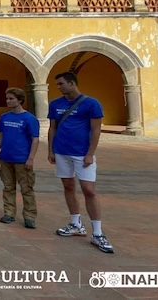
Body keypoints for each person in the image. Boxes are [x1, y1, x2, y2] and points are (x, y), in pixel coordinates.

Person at [48, 72, 113, 253]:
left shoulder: (91, 104)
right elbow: (52, 128)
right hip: (62, 151)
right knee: (68, 186)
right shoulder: (55, 104)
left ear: (72, 83)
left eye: (61, 84)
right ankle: (76, 224)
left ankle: (97, 233)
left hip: (82, 153)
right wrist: (51, 150)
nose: (58, 87)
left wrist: (90, 153)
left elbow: (96, 130)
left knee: (89, 190)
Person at [0, 87, 39, 228]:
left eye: (11, 98)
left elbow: (35, 139)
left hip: (22, 158)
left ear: (20, 100)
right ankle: (9, 213)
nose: (8, 101)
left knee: (26, 188)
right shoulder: (4, 117)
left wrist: (31, 158)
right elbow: (1, 135)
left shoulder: (29, 118)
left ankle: (29, 216)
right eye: (7, 98)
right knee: (8, 187)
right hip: (6, 157)